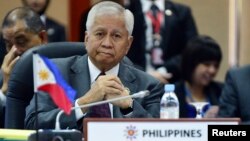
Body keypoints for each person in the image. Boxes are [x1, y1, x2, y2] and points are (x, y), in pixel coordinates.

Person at [25, 1, 164, 130]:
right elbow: (33, 124)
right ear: (86, 39)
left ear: (128, 44)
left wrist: (129, 107)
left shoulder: (148, 86)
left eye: (116, 36)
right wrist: (84, 103)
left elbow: (157, 134)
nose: (107, 43)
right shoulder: (56, 73)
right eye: (100, 34)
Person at [127, 0, 198, 83]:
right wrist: (144, 74)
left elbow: (192, 50)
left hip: (171, 80)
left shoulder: (181, 12)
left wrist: (163, 70)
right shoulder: (128, 10)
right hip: (134, 80)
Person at [0, 7, 48, 128]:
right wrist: (5, 90)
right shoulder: (2, 76)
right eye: (8, 44)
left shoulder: (63, 71)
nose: (14, 51)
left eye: (21, 41)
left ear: (42, 38)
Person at [174, 35, 223, 118]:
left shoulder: (222, 92)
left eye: (216, 66)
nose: (212, 70)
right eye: (206, 64)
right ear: (191, 64)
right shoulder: (172, 94)